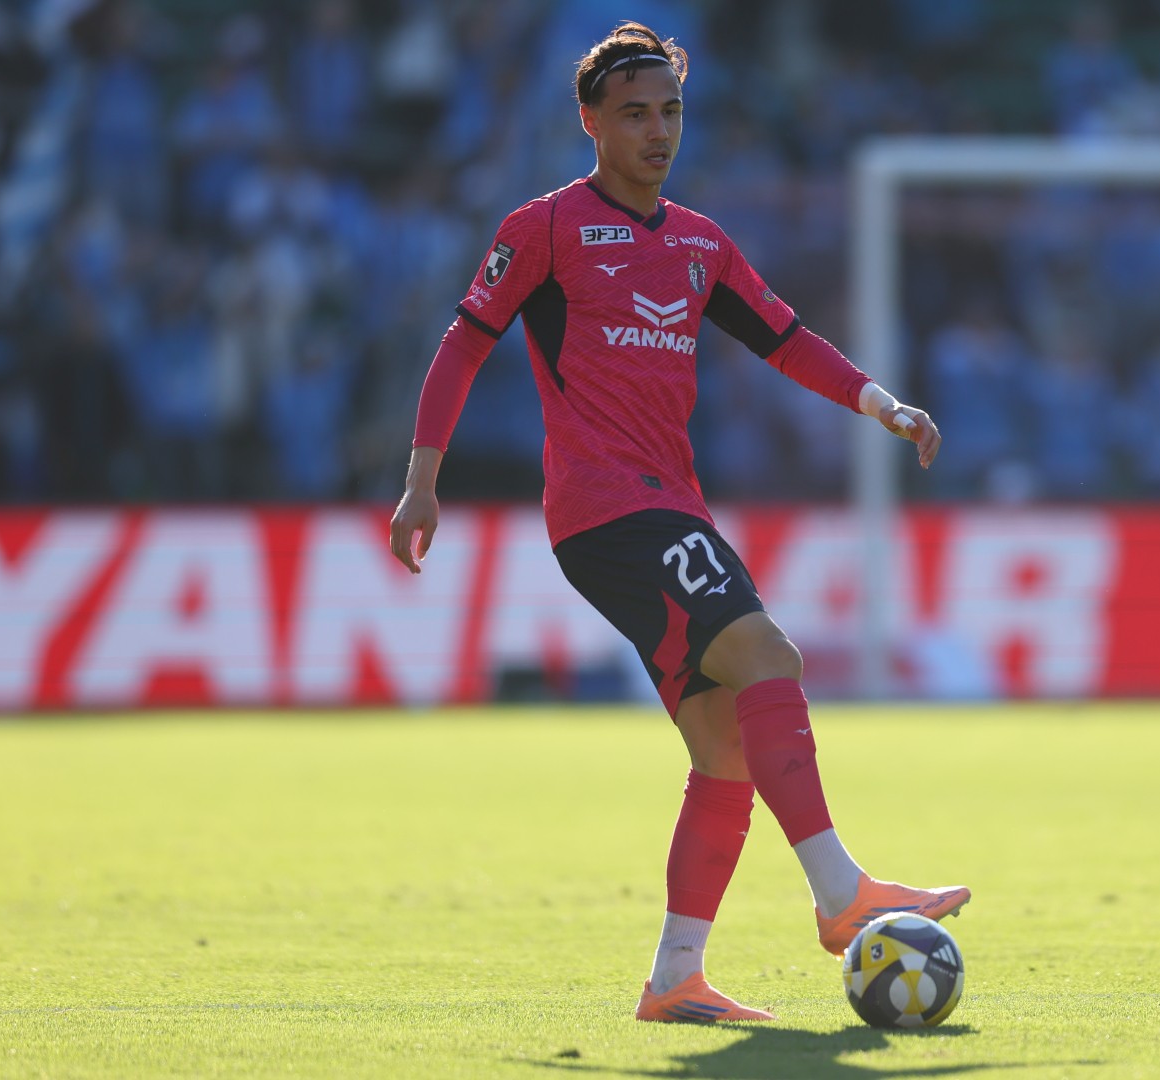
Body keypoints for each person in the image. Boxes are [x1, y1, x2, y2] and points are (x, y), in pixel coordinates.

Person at [386, 23, 967, 1024]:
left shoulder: (700, 242)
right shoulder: (547, 227)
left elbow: (785, 338)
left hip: (665, 501)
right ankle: (842, 895)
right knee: (769, 656)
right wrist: (421, 481)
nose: (657, 132)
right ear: (590, 122)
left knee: (724, 749)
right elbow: (464, 342)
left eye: (671, 112)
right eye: (634, 115)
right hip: (607, 505)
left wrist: (881, 403)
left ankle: (675, 979)